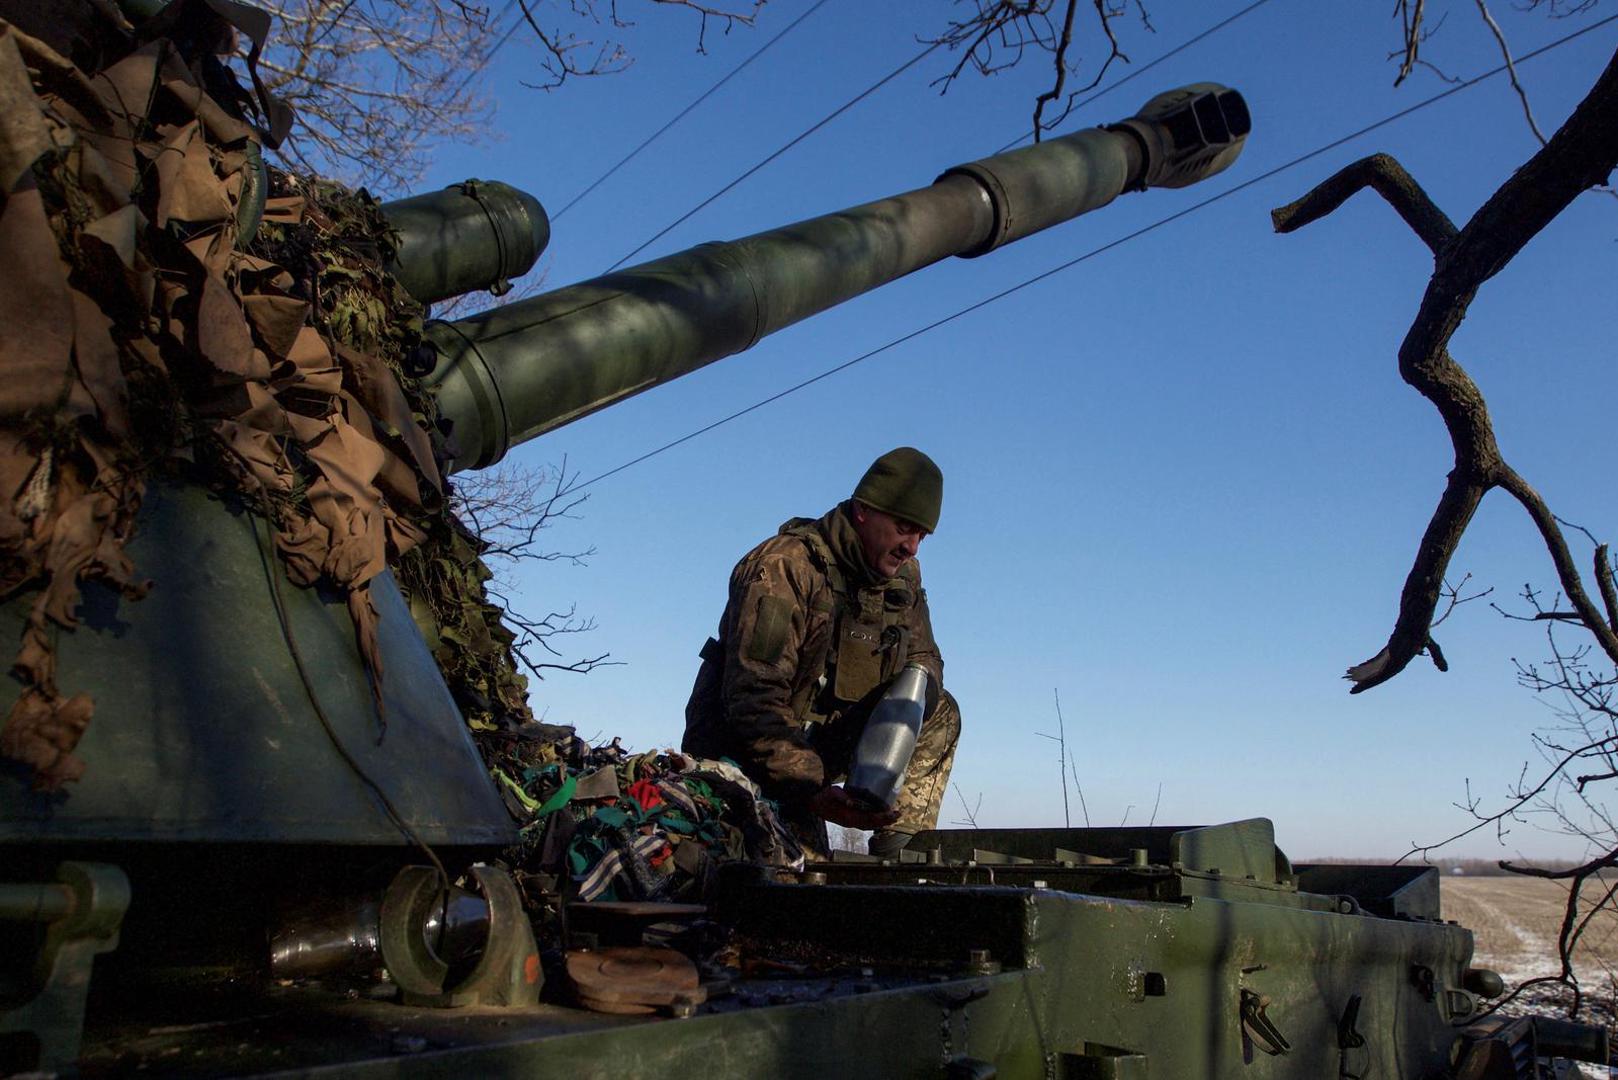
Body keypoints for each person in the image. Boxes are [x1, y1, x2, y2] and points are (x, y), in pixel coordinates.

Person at [683, 447, 961, 860]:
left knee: (938, 709)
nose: (913, 547)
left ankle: (898, 855)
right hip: (744, 759)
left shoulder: (901, 583)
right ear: (864, 511)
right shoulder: (784, 568)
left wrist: (885, 750)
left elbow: (926, 660)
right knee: (791, 887)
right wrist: (811, 790)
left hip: (819, 749)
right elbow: (752, 700)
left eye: (922, 535)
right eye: (905, 527)